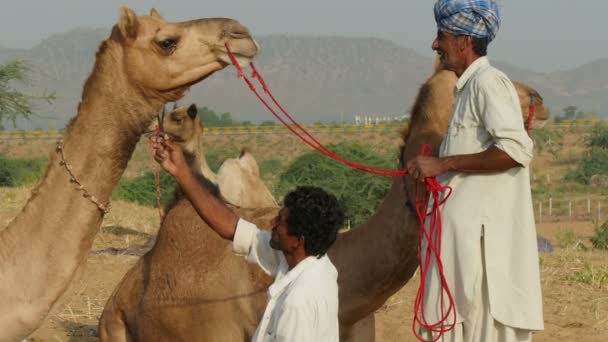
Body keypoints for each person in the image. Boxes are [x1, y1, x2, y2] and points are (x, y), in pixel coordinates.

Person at [406, 1, 544, 341]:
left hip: (481, 261)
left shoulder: (488, 83)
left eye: (441, 36)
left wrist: (444, 163)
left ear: (463, 41)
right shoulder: (467, 88)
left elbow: (515, 150)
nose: (435, 45)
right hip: (460, 254)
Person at [153, 138, 344, 342]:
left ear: (298, 240)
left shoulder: (298, 302)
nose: (272, 222)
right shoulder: (314, 264)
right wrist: (182, 173)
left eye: (280, 221)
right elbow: (233, 228)